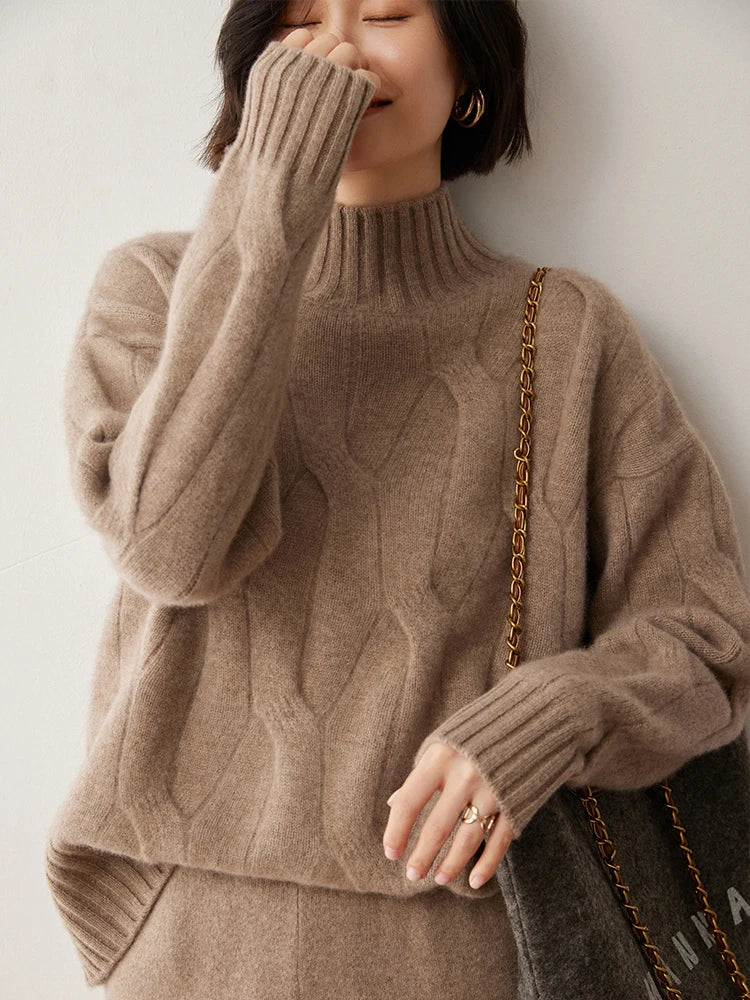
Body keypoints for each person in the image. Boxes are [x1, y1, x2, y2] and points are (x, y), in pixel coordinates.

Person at [45, 1, 750, 998]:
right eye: (301, 21)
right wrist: (272, 185)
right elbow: (170, 548)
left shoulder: (566, 333)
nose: (340, 44)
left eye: (386, 11)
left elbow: (707, 640)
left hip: (465, 939)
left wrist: (539, 724)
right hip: (189, 933)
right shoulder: (154, 290)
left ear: (469, 72)